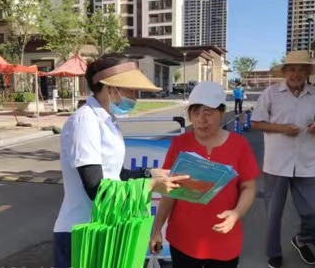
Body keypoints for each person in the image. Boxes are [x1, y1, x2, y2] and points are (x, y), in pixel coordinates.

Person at [53, 53, 189, 268]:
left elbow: (117, 174)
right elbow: (95, 188)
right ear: (109, 88)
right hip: (80, 231)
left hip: (105, 227)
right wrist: (150, 185)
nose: (134, 97)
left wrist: (150, 173)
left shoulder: (108, 121)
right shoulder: (85, 120)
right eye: (130, 90)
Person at [150, 81, 260, 268]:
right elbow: (169, 190)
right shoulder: (180, 144)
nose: (201, 119)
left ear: (221, 112)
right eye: (195, 112)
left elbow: (249, 187)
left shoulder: (239, 145)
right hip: (183, 239)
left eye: (208, 112)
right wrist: (157, 228)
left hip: (224, 240)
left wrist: (236, 214)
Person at [250, 51, 315, 268]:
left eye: (301, 70)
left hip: (306, 161)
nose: (296, 74)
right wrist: (281, 128)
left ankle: (301, 239)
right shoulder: (271, 93)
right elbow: (256, 123)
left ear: (308, 73)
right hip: (277, 163)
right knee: (273, 214)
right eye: (291, 69)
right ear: (284, 72)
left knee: (314, 209)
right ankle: (273, 253)